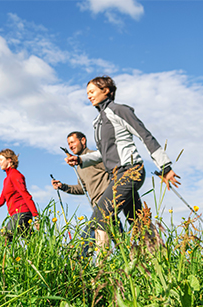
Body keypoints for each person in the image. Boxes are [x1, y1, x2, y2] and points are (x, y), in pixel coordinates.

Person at [65, 76, 180, 250]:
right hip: (116, 175)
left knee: (101, 215)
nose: (88, 96)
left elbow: (144, 135)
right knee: (140, 222)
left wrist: (165, 167)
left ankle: (100, 271)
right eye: (87, 93)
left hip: (130, 171)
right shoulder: (98, 122)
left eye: (92, 91)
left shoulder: (119, 110)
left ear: (106, 91)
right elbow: (103, 154)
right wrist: (81, 159)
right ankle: (159, 260)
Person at [52, 131, 121, 256]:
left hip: (106, 202)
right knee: (120, 239)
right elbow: (82, 188)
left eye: (73, 142)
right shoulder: (80, 167)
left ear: (83, 141)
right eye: (68, 144)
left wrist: (111, 192)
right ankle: (134, 262)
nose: (70, 146)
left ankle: (79, 267)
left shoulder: (94, 157)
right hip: (97, 206)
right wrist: (63, 186)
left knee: (87, 238)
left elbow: (114, 170)